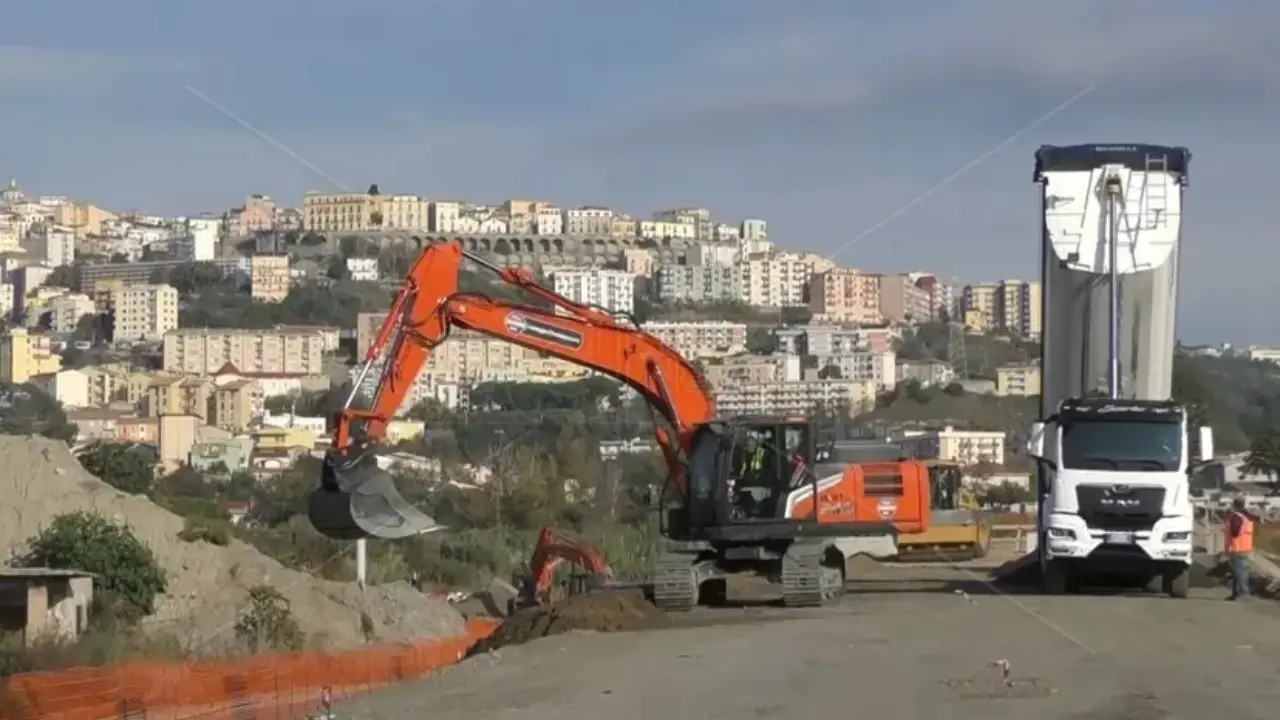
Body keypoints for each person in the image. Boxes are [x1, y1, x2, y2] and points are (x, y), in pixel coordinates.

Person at [1224, 497, 1256, 600]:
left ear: (1234, 505)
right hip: (1245, 547)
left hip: (1237, 547)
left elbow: (1235, 532)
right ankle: (1236, 593)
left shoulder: (1236, 517)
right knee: (1240, 571)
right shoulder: (1247, 517)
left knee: (1238, 572)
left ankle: (1243, 592)